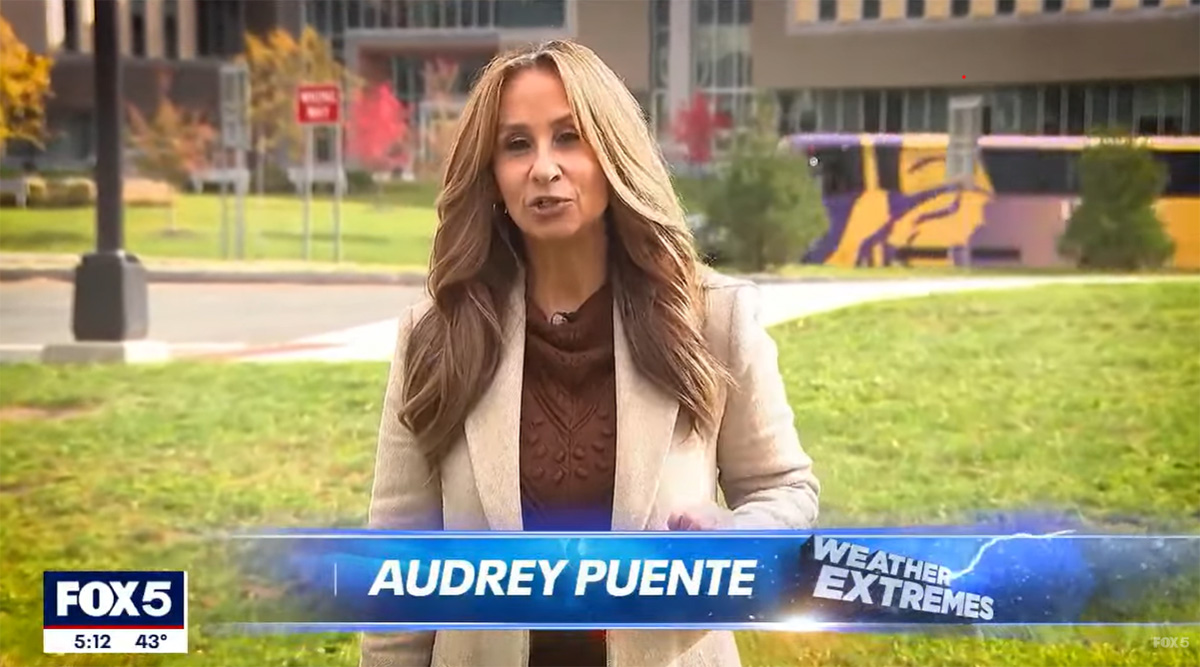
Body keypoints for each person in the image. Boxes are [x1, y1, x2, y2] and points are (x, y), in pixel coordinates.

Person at [361, 39, 819, 667]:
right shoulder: (437, 336)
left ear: (612, 151)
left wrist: (738, 538)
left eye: (568, 137)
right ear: (492, 174)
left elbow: (785, 489)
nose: (543, 168)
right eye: (516, 144)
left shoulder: (712, 318)